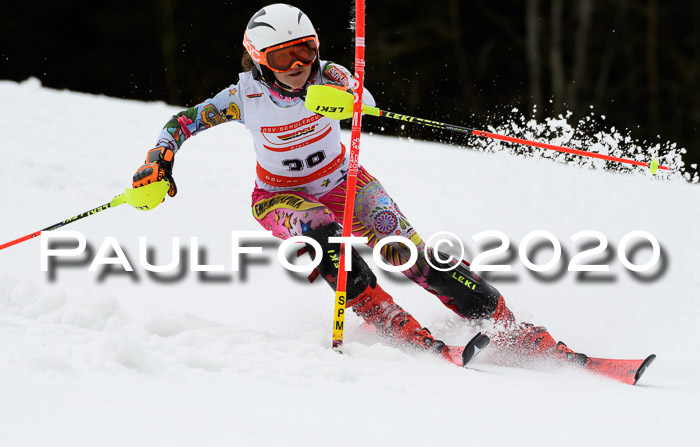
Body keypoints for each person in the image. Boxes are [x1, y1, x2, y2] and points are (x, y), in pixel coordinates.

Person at [132, 3, 587, 366]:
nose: (298, 65)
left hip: (346, 181)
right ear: (259, 60)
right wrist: (160, 159)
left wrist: (344, 102)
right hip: (278, 197)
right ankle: (388, 317)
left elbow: (362, 99)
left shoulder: (328, 75)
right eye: (282, 57)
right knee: (326, 237)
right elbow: (184, 121)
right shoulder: (244, 98)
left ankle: (506, 325)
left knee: (411, 253)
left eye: (306, 50)